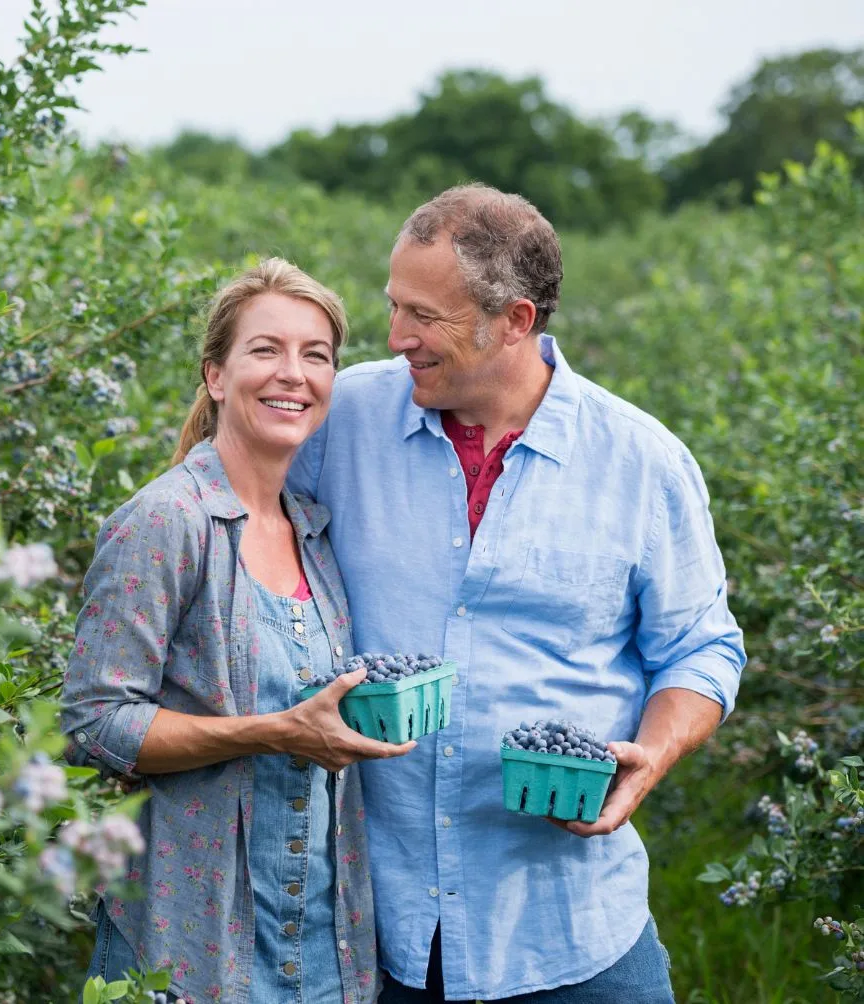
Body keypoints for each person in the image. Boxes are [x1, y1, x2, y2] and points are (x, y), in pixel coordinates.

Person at [288, 184, 746, 1003]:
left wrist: (653, 756)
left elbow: (700, 647)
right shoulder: (342, 418)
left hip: (569, 929)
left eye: (425, 317)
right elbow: (227, 522)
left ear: (516, 320)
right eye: (394, 306)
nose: (396, 339)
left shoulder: (641, 462)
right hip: (373, 928)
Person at [62, 258, 415, 1004]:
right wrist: (272, 732)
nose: (293, 373)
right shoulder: (167, 521)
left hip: (326, 947)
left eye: (315, 355)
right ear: (216, 375)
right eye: (266, 350)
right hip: (188, 948)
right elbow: (93, 724)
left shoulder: (316, 536)